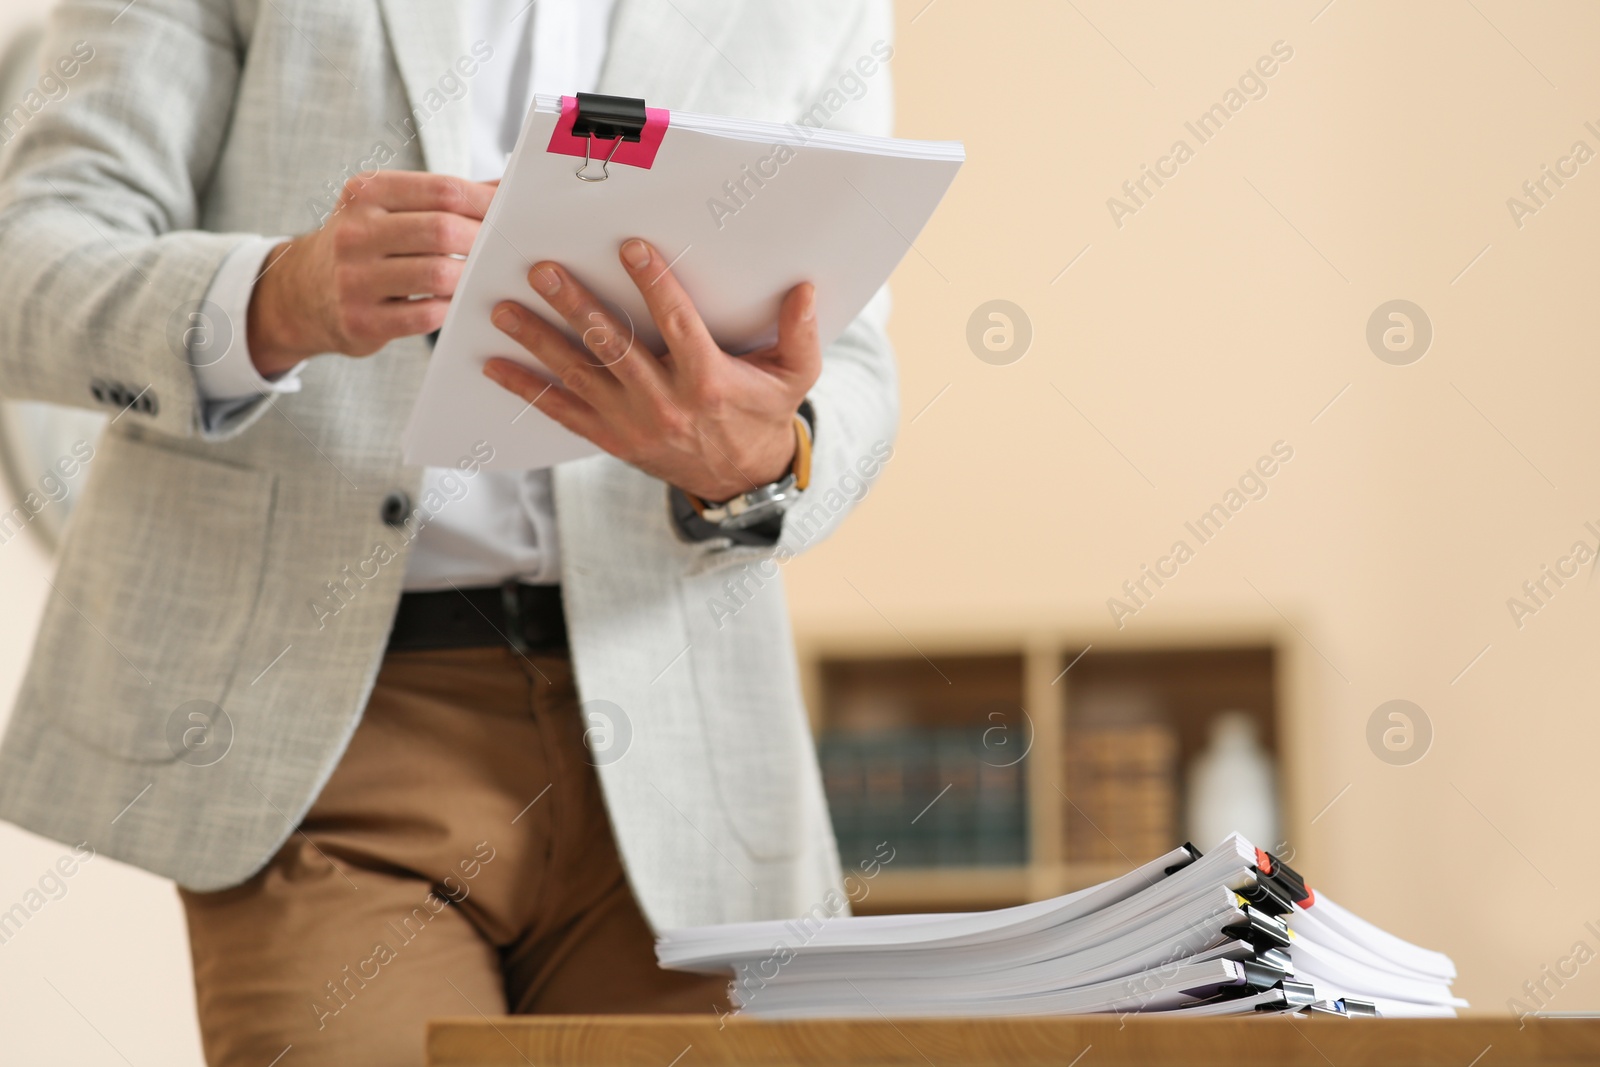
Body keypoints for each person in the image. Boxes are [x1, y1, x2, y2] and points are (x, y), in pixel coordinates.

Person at [0, 1, 898, 1063]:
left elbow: (849, 361)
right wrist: (275, 296)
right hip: (327, 739)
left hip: (678, 742)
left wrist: (758, 455)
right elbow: (28, 266)